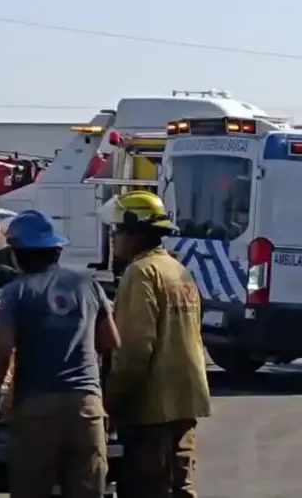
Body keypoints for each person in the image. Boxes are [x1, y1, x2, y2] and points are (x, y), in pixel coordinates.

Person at [0, 209, 121, 498]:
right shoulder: (88, 285)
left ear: (17, 253)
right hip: (86, 409)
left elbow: (1, 351)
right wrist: (105, 402)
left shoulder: (14, 291)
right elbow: (111, 343)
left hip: (36, 411)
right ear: (56, 249)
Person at [97, 190, 211, 498]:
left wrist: (110, 401)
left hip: (151, 407)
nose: (115, 239)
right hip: (185, 401)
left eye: (118, 231)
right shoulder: (177, 269)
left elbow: (133, 349)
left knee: (147, 487)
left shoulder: (140, 273)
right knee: (180, 485)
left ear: (134, 234)